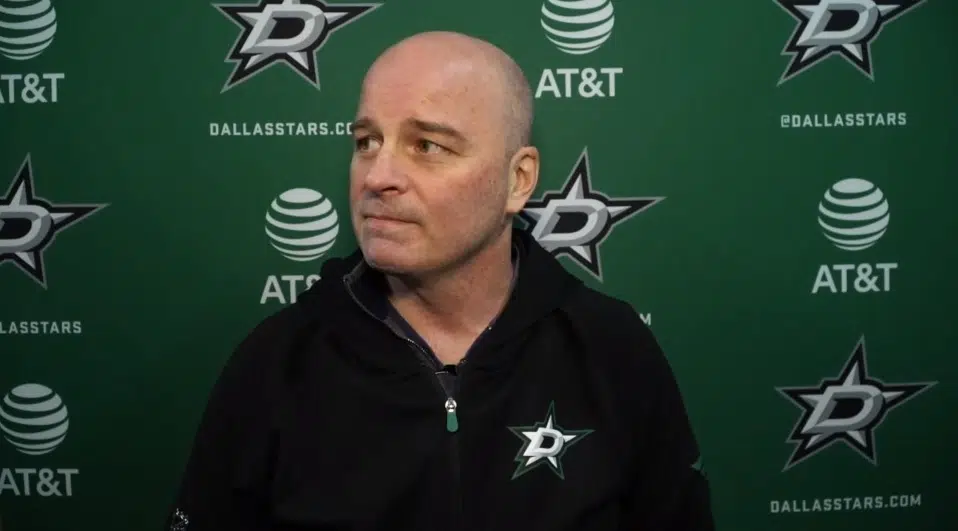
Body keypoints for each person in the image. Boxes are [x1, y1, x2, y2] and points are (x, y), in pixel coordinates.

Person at [165, 31, 714, 531]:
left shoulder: (610, 347)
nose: (378, 177)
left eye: (427, 146)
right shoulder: (276, 361)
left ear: (518, 180)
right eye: (366, 142)